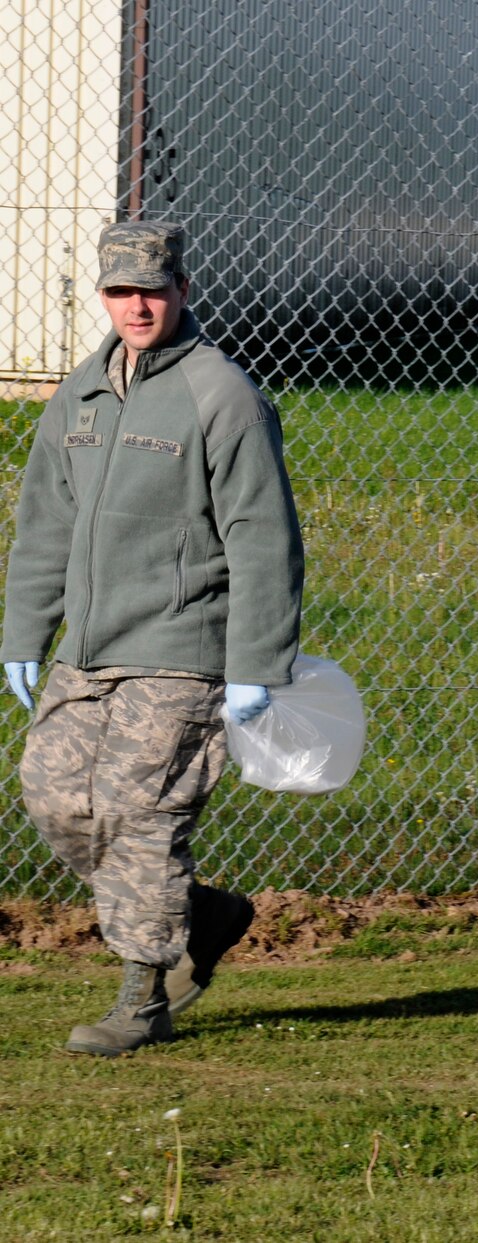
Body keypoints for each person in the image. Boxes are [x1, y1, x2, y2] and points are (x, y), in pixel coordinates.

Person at [1, 220, 305, 1056]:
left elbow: (261, 533)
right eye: (120, 291)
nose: (137, 305)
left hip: (183, 646)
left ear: (181, 289)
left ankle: (143, 997)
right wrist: (25, 631)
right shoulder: (83, 392)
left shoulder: (222, 394)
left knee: (140, 814)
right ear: (102, 295)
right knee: (56, 798)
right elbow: (45, 524)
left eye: (153, 289)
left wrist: (254, 662)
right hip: (89, 648)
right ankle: (201, 913)